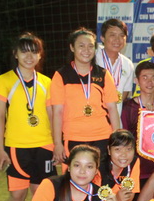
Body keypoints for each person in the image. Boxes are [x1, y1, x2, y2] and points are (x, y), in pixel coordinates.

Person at [0, 33, 57, 201]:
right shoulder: (4, 80)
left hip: (44, 146)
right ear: (16, 54)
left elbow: (52, 116)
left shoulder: (47, 82)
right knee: (17, 196)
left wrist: (57, 145)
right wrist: (0, 149)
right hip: (16, 147)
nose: (29, 56)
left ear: (40, 55)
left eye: (34, 51)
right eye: (24, 51)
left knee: (41, 196)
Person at [50, 28, 120, 166]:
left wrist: (116, 140)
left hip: (102, 137)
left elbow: (112, 109)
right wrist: (57, 143)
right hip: (73, 137)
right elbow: (57, 112)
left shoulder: (103, 74)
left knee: (101, 178)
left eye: (90, 46)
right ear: (72, 47)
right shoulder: (61, 75)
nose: (86, 50)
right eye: (81, 46)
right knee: (75, 177)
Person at [121, 61, 154, 189]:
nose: (149, 82)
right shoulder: (128, 107)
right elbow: (125, 139)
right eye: (145, 78)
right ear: (136, 81)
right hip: (133, 168)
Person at [92, 129, 140, 201]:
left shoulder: (134, 162)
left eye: (128, 149)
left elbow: (130, 196)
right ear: (109, 150)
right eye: (117, 149)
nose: (124, 154)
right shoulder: (98, 167)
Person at [95, 18, 134, 114]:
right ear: (102, 38)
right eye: (112, 35)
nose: (117, 40)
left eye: (122, 35)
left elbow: (124, 93)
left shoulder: (128, 64)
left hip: (115, 118)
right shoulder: (93, 57)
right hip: (93, 117)